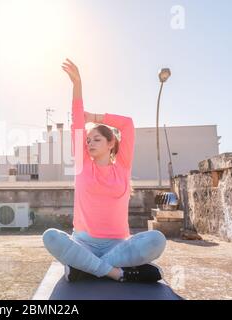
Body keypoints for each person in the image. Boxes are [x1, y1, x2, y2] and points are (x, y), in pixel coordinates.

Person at [42, 59, 167, 283]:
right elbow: (77, 122)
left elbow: (128, 124)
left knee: (157, 240)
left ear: (111, 143)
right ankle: (116, 272)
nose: (89, 143)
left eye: (97, 139)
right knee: (51, 237)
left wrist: (95, 118)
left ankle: (85, 268)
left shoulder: (123, 166)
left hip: (118, 244)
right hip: (83, 243)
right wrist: (77, 84)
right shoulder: (82, 164)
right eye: (88, 140)